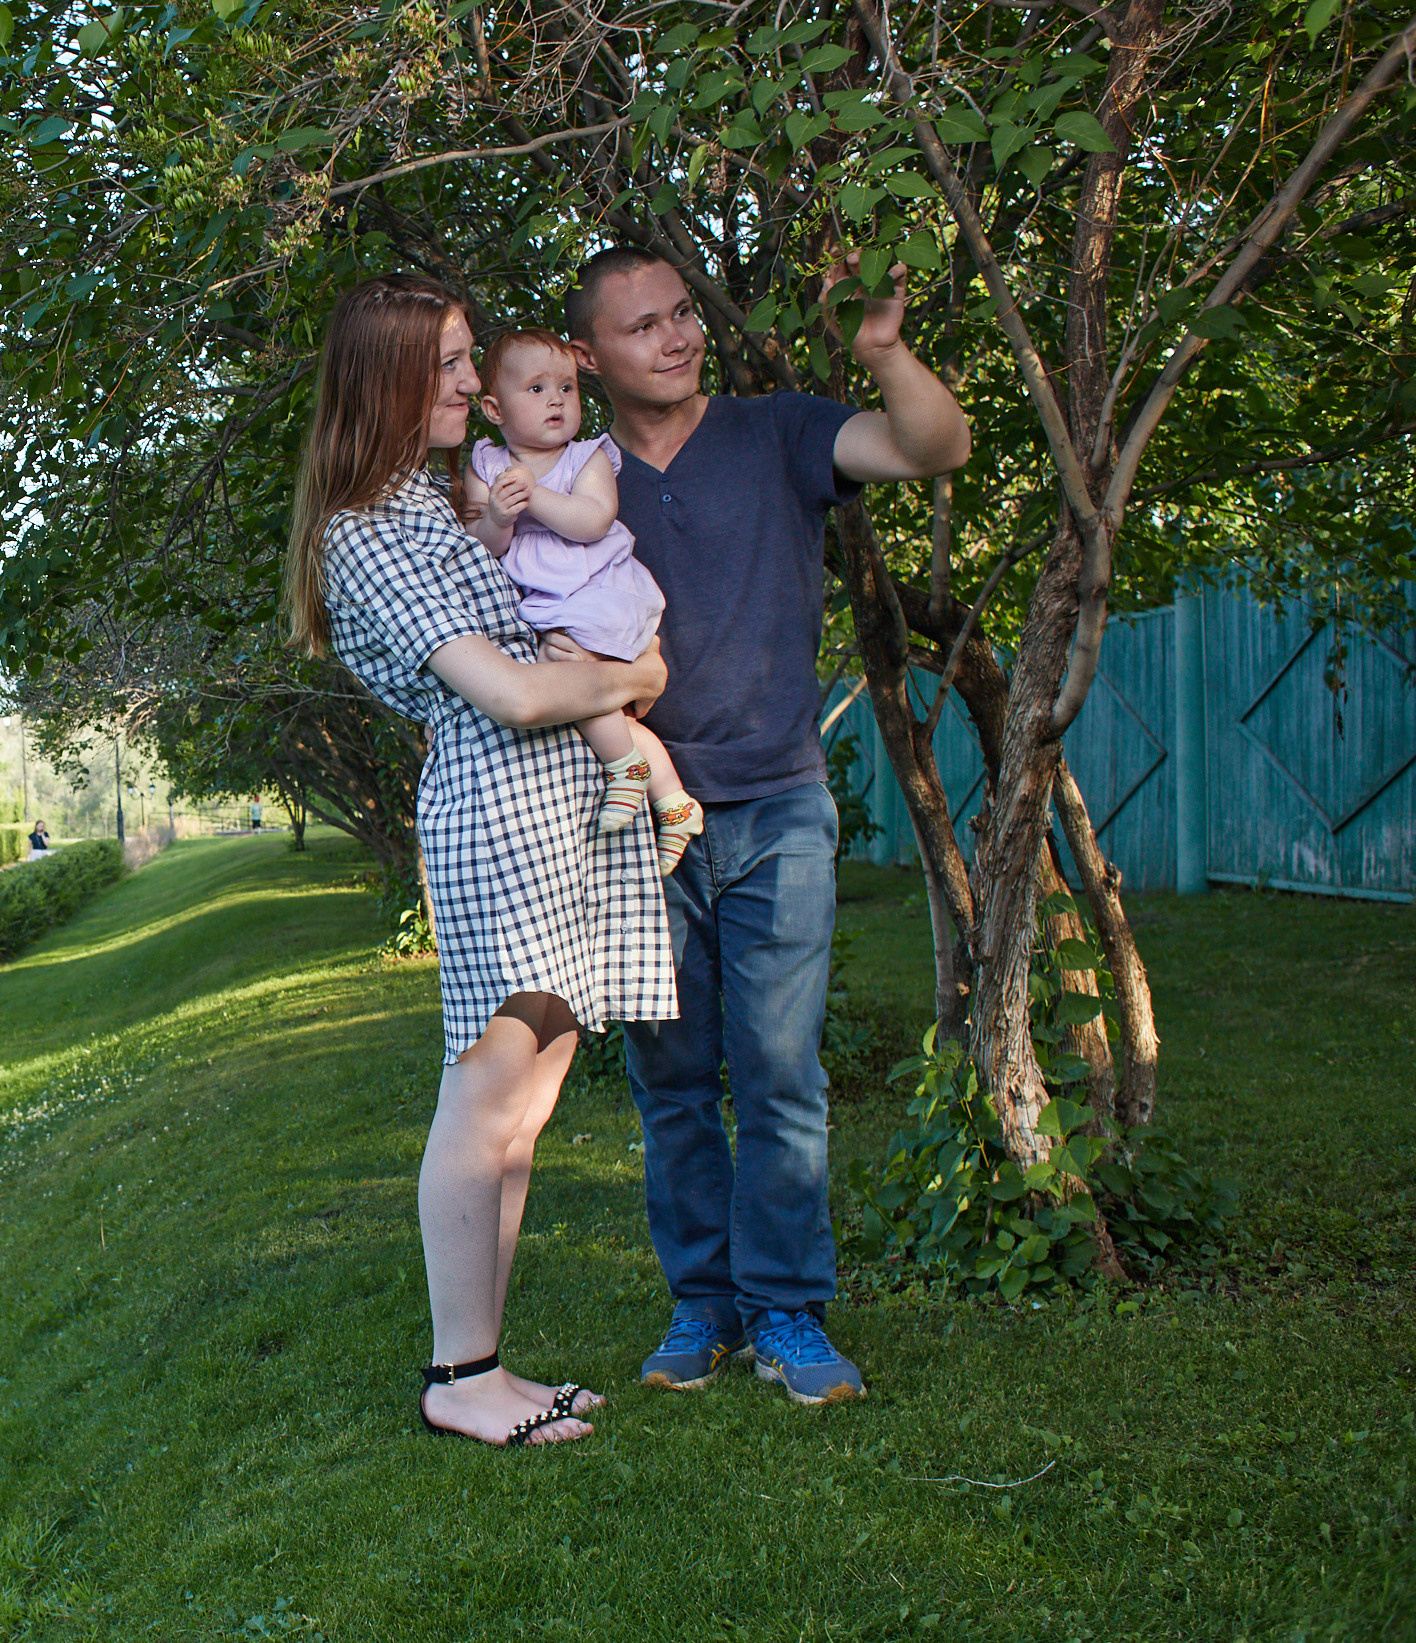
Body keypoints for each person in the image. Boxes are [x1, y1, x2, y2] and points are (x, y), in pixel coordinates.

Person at [558, 246, 971, 1406]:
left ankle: (788, 1311)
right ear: (589, 357)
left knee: (782, 1074)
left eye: (683, 313)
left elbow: (936, 448)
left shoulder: (777, 431)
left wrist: (883, 354)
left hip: (780, 801)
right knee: (674, 1083)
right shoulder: (574, 478)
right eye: (643, 327)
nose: (678, 337)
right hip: (636, 816)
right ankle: (702, 1305)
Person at [286, 273, 674, 1449]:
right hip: (500, 815)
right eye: (451, 363)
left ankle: (485, 1366)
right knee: (483, 1099)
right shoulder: (366, 530)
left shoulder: (431, 503)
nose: (470, 381)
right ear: (388, 377)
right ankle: (460, 1375)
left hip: (557, 809)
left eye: (468, 359)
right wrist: (632, 682)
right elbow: (506, 690)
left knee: (525, 1110)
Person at [459, 327, 701, 873]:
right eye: (537, 389)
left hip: (598, 591)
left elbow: (593, 522)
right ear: (494, 408)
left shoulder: (587, 456)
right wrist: (498, 515)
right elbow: (483, 548)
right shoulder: (485, 465)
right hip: (549, 600)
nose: (556, 400)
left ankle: (625, 768)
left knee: (562, 673)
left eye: (566, 388)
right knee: (594, 703)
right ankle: (674, 800)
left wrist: (535, 497)